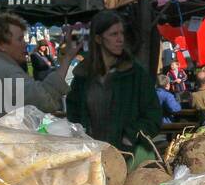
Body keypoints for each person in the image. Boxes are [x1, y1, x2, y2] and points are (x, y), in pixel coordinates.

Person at [65, 10, 163, 163]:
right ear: (98, 38)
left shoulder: (136, 74)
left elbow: (154, 116)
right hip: (92, 159)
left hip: (132, 158)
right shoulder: (82, 77)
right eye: (113, 34)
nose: (120, 39)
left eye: (121, 33)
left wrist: (130, 136)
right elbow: (73, 115)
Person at [0, 13, 75, 122]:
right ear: (1, 44)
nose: (25, 44)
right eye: (20, 39)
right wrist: (67, 58)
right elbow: (46, 101)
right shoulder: (7, 71)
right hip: (3, 138)